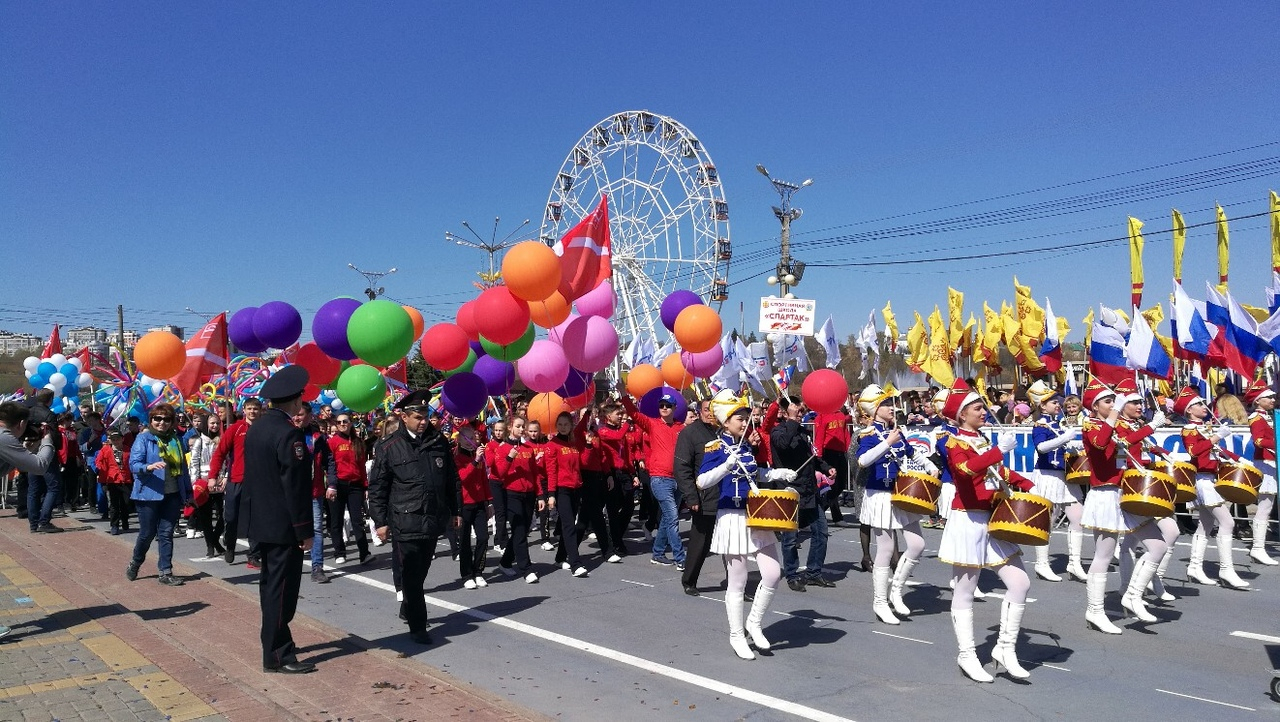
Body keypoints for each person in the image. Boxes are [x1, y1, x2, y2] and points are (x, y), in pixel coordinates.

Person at [938, 381, 1035, 682]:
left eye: (983, 407)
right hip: (968, 517)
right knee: (965, 589)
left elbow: (997, 472)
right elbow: (966, 472)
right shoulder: (953, 442)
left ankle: (1005, 648)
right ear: (962, 413)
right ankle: (967, 653)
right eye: (978, 408)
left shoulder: (979, 438)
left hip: (993, 517)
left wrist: (1028, 484)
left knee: (1020, 583)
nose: (984, 411)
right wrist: (997, 451)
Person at [697, 390, 795, 660]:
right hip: (732, 517)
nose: (744, 422)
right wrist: (726, 466)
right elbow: (702, 482)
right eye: (738, 418)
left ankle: (754, 622)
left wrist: (776, 473)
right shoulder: (715, 448)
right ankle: (736, 634)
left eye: (745, 417)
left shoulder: (745, 445)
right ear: (725, 422)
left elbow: (755, 472)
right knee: (738, 581)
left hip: (757, 514)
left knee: (773, 573)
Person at [369, 390, 462, 644]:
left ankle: (408, 605)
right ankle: (418, 626)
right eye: (418, 417)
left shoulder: (439, 442)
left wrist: (456, 511)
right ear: (404, 417)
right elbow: (378, 487)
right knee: (410, 572)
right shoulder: (389, 447)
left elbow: (451, 480)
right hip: (404, 520)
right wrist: (381, 522)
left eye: (426, 416)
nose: (423, 421)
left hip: (433, 518)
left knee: (421, 571)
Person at [1079, 379, 1171, 634]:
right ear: (1096, 406)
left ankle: (1132, 595)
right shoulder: (1090, 425)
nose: (1114, 404)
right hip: (1106, 494)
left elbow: (1129, 441)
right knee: (1104, 555)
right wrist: (1119, 413)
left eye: (1114, 401)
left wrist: (1150, 427)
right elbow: (1099, 444)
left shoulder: (1115, 425)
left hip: (1127, 492)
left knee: (1158, 545)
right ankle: (1095, 610)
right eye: (1109, 401)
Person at [241, 366, 317, 673]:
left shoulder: (257, 428)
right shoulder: (288, 433)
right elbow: (295, 487)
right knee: (282, 592)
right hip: (284, 526)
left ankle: (278, 642)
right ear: (296, 401)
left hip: (262, 522)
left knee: (270, 588)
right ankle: (275, 653)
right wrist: (304, 529)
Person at [855, 384, 937, 624]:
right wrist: (887, 443)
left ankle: (896, 590)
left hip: (902, 493)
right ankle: (879, 602)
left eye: (892, 403)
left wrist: (930, 467)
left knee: (917, 544)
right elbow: (863, 461)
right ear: (874, 409)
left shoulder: (896, 431)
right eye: (886, 404)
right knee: (886, 549)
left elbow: (913, 453)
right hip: (879, 495)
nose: (892, 408)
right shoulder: (868, 435)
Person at [1177, 386, 1250, 589]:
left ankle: (1194, 566)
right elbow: (1195, 451)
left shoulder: (1203, 428)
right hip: (1202, 479)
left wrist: (1238, 459)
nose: (1204, 407)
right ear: (1189, 410)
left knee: (1206, 524)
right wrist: (1217, 436)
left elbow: (1216, 450)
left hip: (1210, 477)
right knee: (1227, 522)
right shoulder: (1189, 429)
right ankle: (1226, 570)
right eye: (1199, 404)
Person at [0, 401, 59, 641]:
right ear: (21, 423)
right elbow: (39, 466)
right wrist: (46, 441)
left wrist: (25, 447)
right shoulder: (4, 437)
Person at [772, 395, 836, 592]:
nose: (801, 415)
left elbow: (811, 457)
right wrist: (791, 420)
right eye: (798, 411)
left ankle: (814, 572)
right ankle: (792, 574)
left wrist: (826, 467)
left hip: (809, 490)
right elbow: (783, 446)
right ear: (785, 412)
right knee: (790, 538)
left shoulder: (803, 432)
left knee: (821, 532)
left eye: (802, 411)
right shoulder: (778, 431)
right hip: (790, 491)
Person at [126, 403, 193, 587]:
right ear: (151, 420)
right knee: (147, 534)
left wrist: (188, 493)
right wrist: (148, 467)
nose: (161, 422)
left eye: (166, 419)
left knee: (166, 533)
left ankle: (165, 572)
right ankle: (136, 561)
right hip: (149, 494)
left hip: (172, 494)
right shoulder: (143, 439)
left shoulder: (176, 440)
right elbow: (133, 464)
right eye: (157, 418)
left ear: (172, 422)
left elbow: (184, 470)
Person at [619, 389, 685, 567]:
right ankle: (681, 558)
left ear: (674, 408)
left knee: (667, 518)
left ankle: (657, 552)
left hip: (678, 479)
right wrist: (624, 395)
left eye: (668, 406)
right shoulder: (652, 424)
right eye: (661, 405)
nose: (664, 408)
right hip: (660, 478)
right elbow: (633, 413)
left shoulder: (682, 428)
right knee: (672, 518)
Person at [1026, 381, 1085, 582]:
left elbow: (1062, 444)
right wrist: (1065, 438)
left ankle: (1074, 563)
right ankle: (1042, 563)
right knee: (1047, 521)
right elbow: (1041, 447)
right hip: (1048, 475)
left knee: (1078, 517)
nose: (1058, 404)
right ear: (1042, 405)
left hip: (1065, 475)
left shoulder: (1057, 423)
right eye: (1052, 402)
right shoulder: (1040, 424)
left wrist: (1074, 445)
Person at [675, 399, 720, 595]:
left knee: (733, 545)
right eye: (706, 409)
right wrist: (691, 497)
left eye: (713, 409)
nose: (710, 413)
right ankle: (689, 580)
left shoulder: (725, 431)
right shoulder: (690, 433)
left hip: (727, 497)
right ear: (699, 411)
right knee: (700, 541)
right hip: (704, 497)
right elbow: (682, 468)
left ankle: (738, 584)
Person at [212, 398, 262, 567]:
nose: (252, 411)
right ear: (244, 410)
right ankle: (230, 546)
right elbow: (219, 453)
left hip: (257, 483)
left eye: (255, 408)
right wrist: (213, 476)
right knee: (231, 517)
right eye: (249, 408)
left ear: (260, 411)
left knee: (256, 519)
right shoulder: (235, 428)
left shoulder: (265, 429)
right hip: (236, 480)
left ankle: (254, 555)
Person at [495, 416, 544, 582]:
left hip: (529, 494)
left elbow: (534, 474)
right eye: (518, 426)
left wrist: (540, 495)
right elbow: (499, 473)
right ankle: (526, 568)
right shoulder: (502, 449)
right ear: (510, 427)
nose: (521, 429)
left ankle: (506, 562)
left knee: (521, 531)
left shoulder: (528, 448)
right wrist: (509, 457)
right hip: (512, 494)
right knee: (519, 530)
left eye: (523, 426)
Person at [542, 411, 590, 578]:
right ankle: (575, 564)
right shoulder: (551, 445)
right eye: (560, 424)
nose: (563, 427)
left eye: (566, 424)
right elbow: (551, 471)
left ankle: (560, 557)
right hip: (562, 490)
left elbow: (583, 425)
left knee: (566, 525)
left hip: (576, 487)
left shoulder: (574, 442)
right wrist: (551, 494)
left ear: (571, 426)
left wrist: (589, 411)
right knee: (570, 526)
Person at [294, 402, 336, 584]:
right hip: (291, 493)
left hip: (313, 491)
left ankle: (317, 567)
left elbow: (329, 461)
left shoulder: (318, 437)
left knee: (316, 529)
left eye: (301, 414)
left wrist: (332, 484)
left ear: (309, 416)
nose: (297, 417)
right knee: (291, 530)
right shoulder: (285, 433)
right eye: (295, 414)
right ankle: (291, 565)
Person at [327, 413, 373, 566]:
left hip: (355, 485)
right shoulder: (332, 442)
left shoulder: (358, 442)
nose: (342, 424)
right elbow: (329, 465)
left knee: (357, 521)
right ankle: (339, 552)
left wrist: (365, 486)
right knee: (336, 521)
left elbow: (361, 466)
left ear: (350, 423)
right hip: (338, 485)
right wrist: (331, 485)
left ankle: (364, 553)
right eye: (339, 422)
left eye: (344, 421)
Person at [454, 425, 493, 588]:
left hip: (479, 503)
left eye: (473, 437)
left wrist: (489, 501)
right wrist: (475, 460)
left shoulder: (478, 455)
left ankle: (478, 571)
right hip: (464, 505)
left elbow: (484, 480)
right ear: (459, 439)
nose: (470, 441)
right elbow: (462, 478)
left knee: (483, 538)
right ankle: (467, 574)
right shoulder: (456, 458)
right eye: (466, 437)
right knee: (464, 542)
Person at [1245, 380, 1279, 566]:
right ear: (1258, 401)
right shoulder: (1256, 418)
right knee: (1265, 506)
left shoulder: (1268, 416)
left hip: (1272, 461)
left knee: (1269, 506)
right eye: (1269, 397)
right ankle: (1258, 547)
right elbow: (1259, 441)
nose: (1273, 399)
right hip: (1265, 463)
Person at [188, 412, 227, 559]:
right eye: (212, 423)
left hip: (219, 482)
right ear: (207, 424)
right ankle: (210, 546)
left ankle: (215, 539)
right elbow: (194, 463)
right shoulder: (200, 441)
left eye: (217, 423)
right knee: (205, 517)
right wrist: (195, 483)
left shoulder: (222, 440)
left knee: (224, 515)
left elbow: (227, 461)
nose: (215, 426)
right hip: (203, 483)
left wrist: (225, 477)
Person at [812, 400, 853, 526]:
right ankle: (820, 515)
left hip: (840, 453)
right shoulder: (821, 417)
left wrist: (849, 449)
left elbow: (845, 434)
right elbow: (819, 436)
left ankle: (822, 513)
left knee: (841, 484)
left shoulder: (841, 415)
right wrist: (818, 455)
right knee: (831, 485)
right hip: (828, 453)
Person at [96, 428, 133, 535]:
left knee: (126, 503)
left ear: (122, 439)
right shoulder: (105, 450)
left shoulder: (127, 450)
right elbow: (99, 462)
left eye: (118, 439)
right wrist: (102, 477)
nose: (116, 441)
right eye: (114, 439)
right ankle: (114, 525)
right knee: (114, 505)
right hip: (112, 480)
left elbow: (132, 463)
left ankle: (125, 520)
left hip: (126, 480)